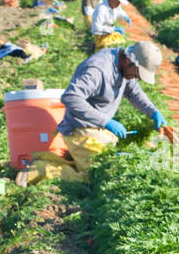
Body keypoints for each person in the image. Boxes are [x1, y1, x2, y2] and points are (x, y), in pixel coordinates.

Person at [52, 42, 167, 179]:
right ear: (130, 61)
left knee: (111, 165)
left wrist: (153, 111)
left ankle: (77, 159)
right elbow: (71, 97)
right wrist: (106, 121)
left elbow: (133, 92)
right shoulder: (98, 69)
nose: (136, 78)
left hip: (100, 129)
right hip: (80, 131)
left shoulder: (123, 66)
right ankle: (41, 170)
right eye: (137, 74)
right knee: (95, 175)